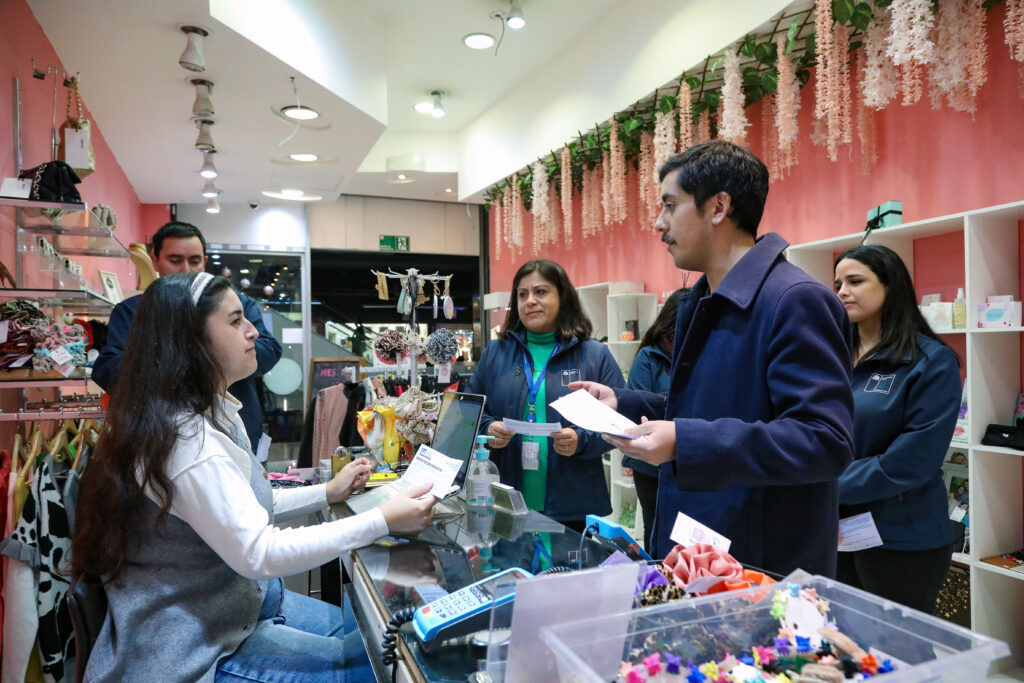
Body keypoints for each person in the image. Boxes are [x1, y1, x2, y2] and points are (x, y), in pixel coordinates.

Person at [71, 272, 438, 682]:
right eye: (235, 321)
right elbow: (259, 553)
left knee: (368, 641)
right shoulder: (187, 441)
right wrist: (382, 520)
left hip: (240, 610)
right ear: (190, 340)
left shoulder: (212, 413)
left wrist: (328, 492)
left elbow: (248, 505)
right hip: (195, 650)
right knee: (370, 666)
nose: (252, 332)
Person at [572, 140, 854, 577]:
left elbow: (824, 440)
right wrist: (623, 403)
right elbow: (712, 409)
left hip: (760, 568)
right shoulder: (704, 299)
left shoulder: (795, 300)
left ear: (719, 207)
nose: (659, 223)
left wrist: (684, 442)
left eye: (670, 206)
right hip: (701, 551)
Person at [833, 244, 960, 613]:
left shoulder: (930, 361)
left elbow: (911, 462)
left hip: (902, 537)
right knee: (842, 636)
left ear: (891, 286)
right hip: (836, 529)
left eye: (855, 281)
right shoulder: (833, 354)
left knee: (898, 643)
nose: (842, 292)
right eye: (838, 284)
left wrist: (824, 482)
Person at [466, 259, 625, 533]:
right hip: (504, 499)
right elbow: (469, 412)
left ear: (563, 297)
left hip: (574, 502)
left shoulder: (594, 355)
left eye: (540, 292)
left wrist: (581, 440)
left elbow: (618, 421)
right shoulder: (495, 352)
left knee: (568, 562)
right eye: (522, 294)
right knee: (512, 562)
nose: (530, 301)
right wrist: (488, 429)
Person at [93, 221, 282, 449]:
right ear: (155, 259)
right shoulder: (132, 311)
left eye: (194, 261)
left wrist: (221, 352)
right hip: (164, 436)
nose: (186, 269)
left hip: (238, 425)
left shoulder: (233, 302)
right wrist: (188, 358)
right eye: (174, 260)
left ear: (205, 261)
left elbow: (269, 349)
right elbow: (110, 370)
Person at [622, 289, 682, 550]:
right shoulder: (649, 356)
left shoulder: (696, 354)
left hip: (685, 455)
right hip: (649, 464)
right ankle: (655, 573)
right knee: (656, 526)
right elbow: (639, 407)